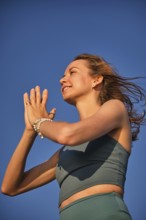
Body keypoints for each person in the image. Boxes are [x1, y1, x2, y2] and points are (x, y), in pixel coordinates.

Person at [1, 53, 146, 220]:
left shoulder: (115, 108)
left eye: (72, 72)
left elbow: (67, 134)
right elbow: (10, 187)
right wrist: (30, 130)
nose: (62, 80)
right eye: (63, 76)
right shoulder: (65, 153)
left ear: (96, 80)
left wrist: (39, 122)